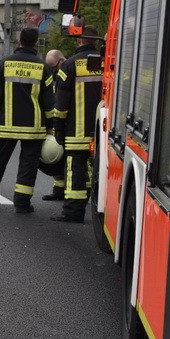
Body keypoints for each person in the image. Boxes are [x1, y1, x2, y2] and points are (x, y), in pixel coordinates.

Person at [0, 27, 55, 214]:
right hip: (34, 128)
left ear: (19, 40)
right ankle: (22, 203)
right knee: (28, 166)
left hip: (6, 126)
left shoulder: (4, 64)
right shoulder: (42, 67)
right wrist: (51, 127)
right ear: (36, 42)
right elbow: (49, 103)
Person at [51, 27, 103, 223]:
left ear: (79, 41)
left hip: (77, 130)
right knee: (98, 170)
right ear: (95, 42)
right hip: (104, 131)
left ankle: (73, 212)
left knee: (76, 171)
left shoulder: (70, 65)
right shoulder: (108, 62)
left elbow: (61, 102)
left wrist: (59, 127)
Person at [40, 48, 67, 202]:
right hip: (56, 120)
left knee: (69, 159)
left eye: (53, 67)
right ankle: (58, 190)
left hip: (67, 121)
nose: (51, 71)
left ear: (61, 60)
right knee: (56, 157)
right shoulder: (54, 75)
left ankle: (76, 192)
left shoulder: (68, 69)